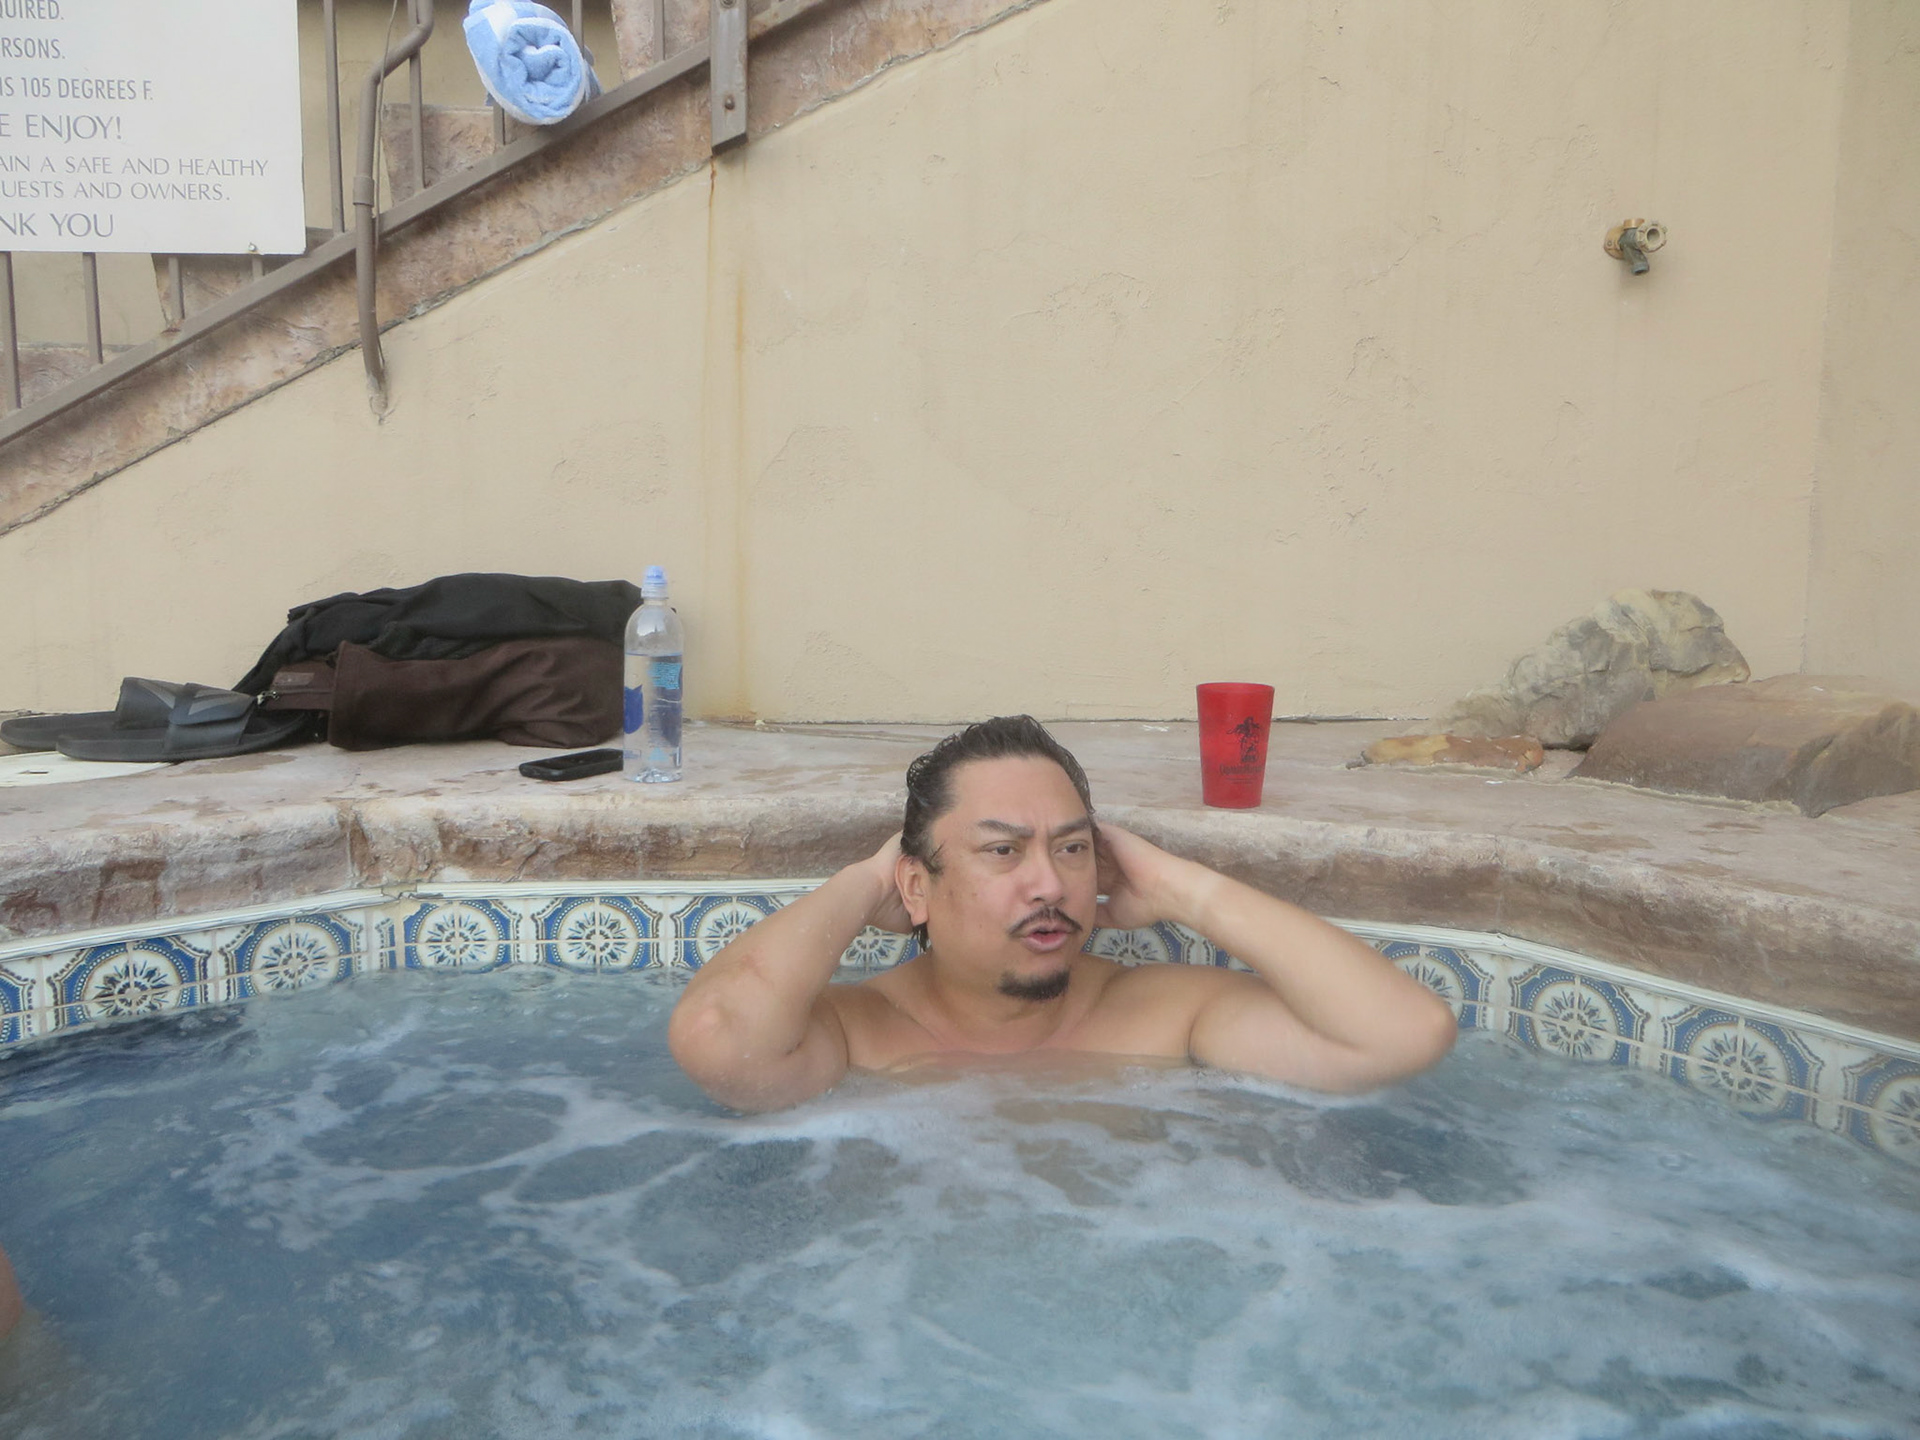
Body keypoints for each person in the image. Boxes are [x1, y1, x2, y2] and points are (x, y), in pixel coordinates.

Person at [669, 716, 1456, 1112]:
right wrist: (863, 883)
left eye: (1073, 849)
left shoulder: (1162, 1016)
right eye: (1003, 851)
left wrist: (1181, 889)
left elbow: (1404, 1034)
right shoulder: (857, 1034)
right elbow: (718, 1043)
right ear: (917, 885)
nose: (1048, 883)